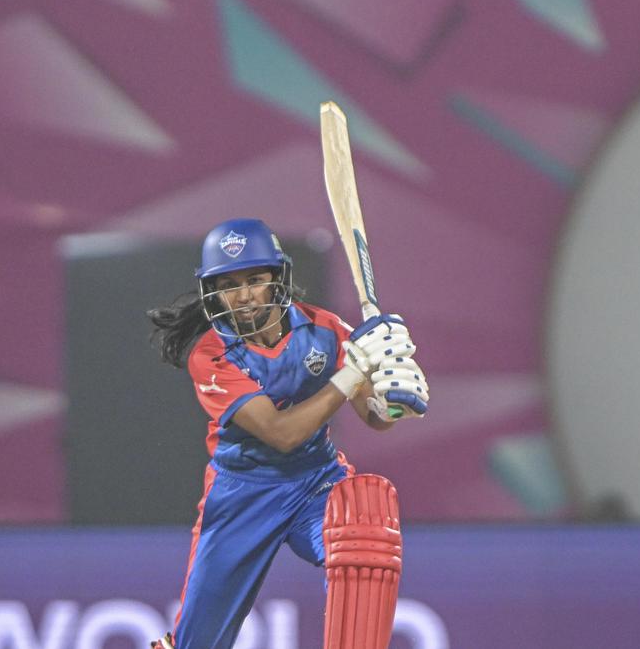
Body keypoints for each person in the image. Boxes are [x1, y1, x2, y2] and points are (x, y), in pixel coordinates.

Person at [146, 218, 429, 649]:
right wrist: (353, 373)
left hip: (316, 480)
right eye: (229, 284)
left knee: (365, 529)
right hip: (242, 494)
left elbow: (376, 418)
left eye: (254, 280)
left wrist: (391, 397)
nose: (244, 296)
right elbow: (281, 434)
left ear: (277, 278)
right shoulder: (211, 356)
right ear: (212, 291)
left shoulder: (323, 329)